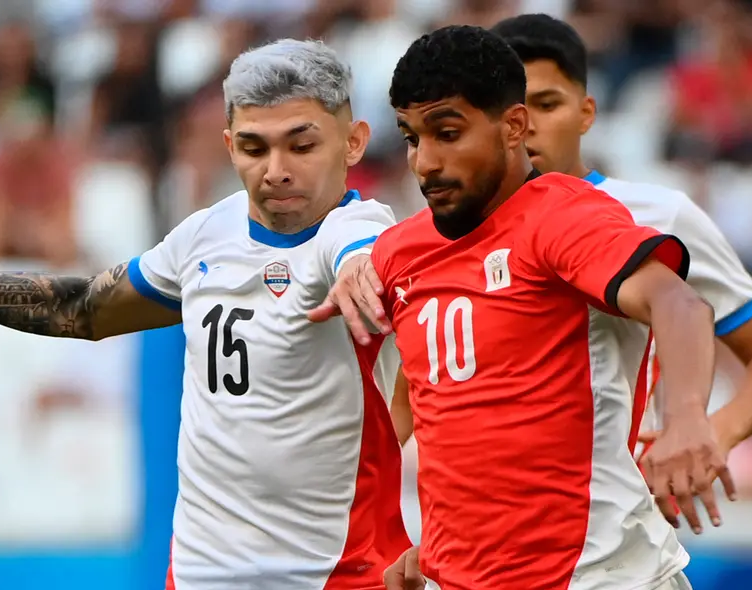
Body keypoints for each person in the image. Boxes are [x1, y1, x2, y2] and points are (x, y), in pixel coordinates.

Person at [0, 39, 410, 589]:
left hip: (339, 574)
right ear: (228, 144)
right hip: (201, 574)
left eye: (302, 145)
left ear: (354, 142)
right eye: (254, 147)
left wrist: (360, 267)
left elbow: (360, 254)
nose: (276, 169)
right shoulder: (204, 235)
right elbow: (86, 308)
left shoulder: (362, 234)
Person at [313, 25, 730, 590]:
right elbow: (413, 407)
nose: (425, 162)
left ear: (514, 127)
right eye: (412, 138)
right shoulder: (400, 252)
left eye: (448, 132)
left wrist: (685, 419)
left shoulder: (561, 217)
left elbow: (681, 305)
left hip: (601, 576)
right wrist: (419, 547)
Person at [485, 13, 752, 467]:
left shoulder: (659, 215)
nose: (527, 126)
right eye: (510, 111)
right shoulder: (456, 231)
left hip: (619, 520)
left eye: (548, 104)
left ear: (586, 113)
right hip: (496, 516)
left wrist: (708, 435)